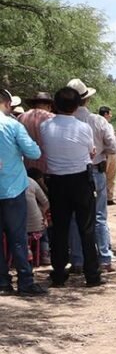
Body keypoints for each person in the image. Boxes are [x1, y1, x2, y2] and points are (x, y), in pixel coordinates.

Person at [39, 87, 102, 287]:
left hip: (56, 181)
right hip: (80, 180)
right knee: (87, 228)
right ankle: (92, 274)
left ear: (55, 105)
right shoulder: (83, 128)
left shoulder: (46, 126)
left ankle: (59, 273)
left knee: (60, 229)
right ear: (77, 106)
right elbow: (91, 152)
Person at [68, 78, 116, 273]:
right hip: (96, 170)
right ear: (87, 99)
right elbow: (113, 147)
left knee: (74, 217)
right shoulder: (97, 121)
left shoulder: (62, 121)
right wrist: (101, 151)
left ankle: (78, 259)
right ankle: (104, 257)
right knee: (98, 216)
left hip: (72, 173)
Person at [0, 89, 46, 295]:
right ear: (7, 104)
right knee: (17, 237)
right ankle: (25, 282)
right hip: (12, 188)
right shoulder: (12, 125)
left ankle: (2, 282)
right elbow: (34, 152)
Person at [17, 92, 53, 174]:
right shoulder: (52, 119)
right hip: (47, 168)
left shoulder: (20, 117)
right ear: (49, 106)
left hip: (27, 168)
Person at [25, 170, 50, 267]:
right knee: (44, 234)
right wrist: (41, 211)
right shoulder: (32, 183)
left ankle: (26, 249)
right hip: (37, 226)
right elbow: (46, 202)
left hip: (17, 227)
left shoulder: (10, 183)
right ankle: (45, 253)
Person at [99, 105, 116, 203]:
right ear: (106, 114)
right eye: (110, 113)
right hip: (104, 153)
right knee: (103, 175)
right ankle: (102, 197)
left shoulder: (110, 125)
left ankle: (109, 197)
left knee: (111, 175)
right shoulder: (100, 124)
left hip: (113, 153)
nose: (111, 115)